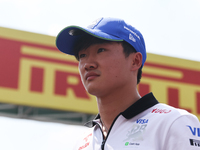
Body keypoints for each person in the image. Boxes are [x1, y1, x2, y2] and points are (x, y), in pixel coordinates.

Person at [56, 17, 200, 150]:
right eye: (82, 55)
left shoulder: (173, 123)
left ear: (135, 61)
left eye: (101, 50)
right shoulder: (81, 143)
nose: (88, 64)